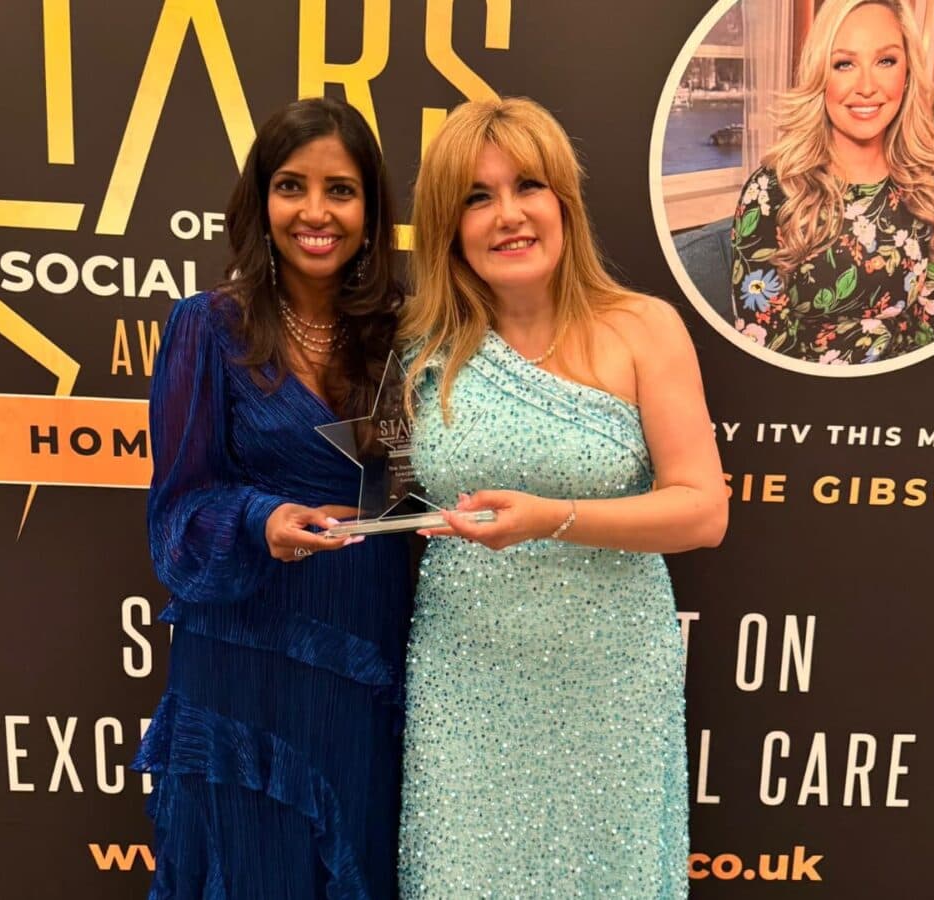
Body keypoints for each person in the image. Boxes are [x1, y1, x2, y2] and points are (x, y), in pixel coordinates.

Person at [397, 97, 728, 898]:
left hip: (611, 682)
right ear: (448, 226)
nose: (507, 215)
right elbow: (391, 495)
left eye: (528, 187)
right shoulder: (421, 349)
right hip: (466, 680)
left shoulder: (643, 328)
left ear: (564, 203)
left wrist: (556, 519)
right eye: (476, 198)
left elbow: (702, 510)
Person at [133, 97, 412, 899]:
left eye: (341, 190)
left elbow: (409, 487)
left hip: (363, 653)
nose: (316, 212)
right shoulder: (206, 328)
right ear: (261, 201)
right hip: (243, 657)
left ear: (370, 208)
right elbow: (177, 513)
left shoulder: (402, 331)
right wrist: (262, 521)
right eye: (292, 186)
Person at [730, 0, 934, 364]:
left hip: (908, 408)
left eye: (886, 61)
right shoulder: (772, 194)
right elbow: (763, 349)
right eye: (844, 64)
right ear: (821, 75)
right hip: (806, 410)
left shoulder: (932, 195)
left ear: (908, 72)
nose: (867, 86)